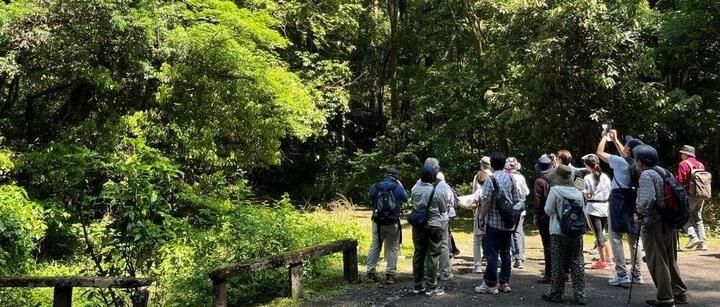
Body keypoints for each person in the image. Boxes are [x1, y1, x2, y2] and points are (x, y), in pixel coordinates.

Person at [633, 145, 688, 306]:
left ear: (641, 161)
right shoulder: (664, 171)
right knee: (670, 259)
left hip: (654, 222)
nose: (635, 162)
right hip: (669, 220)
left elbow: (647, 200)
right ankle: (679, 294)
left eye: (636, 159)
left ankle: (665, 298)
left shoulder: (646, 175)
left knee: (657, 259)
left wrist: (638, 214)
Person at [596, 130, 645, 286]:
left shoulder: (619, 161)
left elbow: (599, 152)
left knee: (615, 237)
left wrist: (604, 137)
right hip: (634, 201)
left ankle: (622, 273)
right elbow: (625, 156)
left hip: (618, 200)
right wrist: (616, 140)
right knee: (634, 238)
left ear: (629, 149)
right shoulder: (639, 165)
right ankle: (637, 274)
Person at [474, 152, 520, 294]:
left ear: (492, 165)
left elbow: (486, 201)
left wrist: (481, 218)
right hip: (507, 223)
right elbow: (516, 199)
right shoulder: (511, 178)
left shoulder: (490, 179)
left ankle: (490, 283)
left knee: (492, 253)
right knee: (506, 253)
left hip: (493, 222)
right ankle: (504, 283)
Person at [541, 165, 587, 305]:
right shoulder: (578, 192)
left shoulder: (555, 190)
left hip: (558, 231)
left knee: (558, 263)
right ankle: (580, 295)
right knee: (577, 262)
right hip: (576, 231)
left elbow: (548, 210)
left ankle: (556, 293)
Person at [410, 165, 450, 296]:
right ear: (433, 177)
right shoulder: (437, 192)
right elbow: (444, 210)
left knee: (418, 254)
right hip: (434, 226)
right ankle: (431, 287)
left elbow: (413, 205)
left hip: (418, 226)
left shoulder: (414, 189)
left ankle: (417, 285)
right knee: (433, 255)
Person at [366, 168, 408, 284]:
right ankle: (390, 275)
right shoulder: (397, 187)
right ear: (396, 177)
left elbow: (369, 197)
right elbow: (405, 198)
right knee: (392, 247)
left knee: (375, 245)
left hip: (377, 221)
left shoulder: (376, 186)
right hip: (393, 222)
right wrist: (401, 186)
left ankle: (370, 274)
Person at [422, 158, 455, 281]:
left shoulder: (418, 185)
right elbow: (445, 205)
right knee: (443, 245)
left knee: (425, 245)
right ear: (436, 170)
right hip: (440, 220)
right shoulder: (442, 185)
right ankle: (445, 272)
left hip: (423, 220)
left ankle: (426, 271)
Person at [581, 154, 612, 270]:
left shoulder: (587, 178)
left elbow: (587, 195)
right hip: (605, 206)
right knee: (603, 233)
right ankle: (609, 257)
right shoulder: (606, 176)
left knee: (598, 234)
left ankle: (603, 261)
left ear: (588, 165)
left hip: (593, 207)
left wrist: (585, 193)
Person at [677, 145, 709, 251]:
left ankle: (693, 237)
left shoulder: (683, 164)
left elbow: (680, 182)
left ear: (686, 154)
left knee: (683, 217)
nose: (681, 155)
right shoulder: (700, 164)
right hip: (701, 195)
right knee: (698, 218)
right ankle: (703, 243)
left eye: (682, 153)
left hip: (689, 195)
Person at [534, 155, 555, 283]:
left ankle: (549, 273)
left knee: (547, 245)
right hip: (557, 216)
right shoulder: (558, 177)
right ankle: (564, 272)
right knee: (560, 244)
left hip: (544, 217)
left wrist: (536, 217)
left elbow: (538, 201)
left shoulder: (540, 181)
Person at [505, 157, 530, 270]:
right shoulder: (520, 177)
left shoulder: (505, 177)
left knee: (509, 232)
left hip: (509, 209)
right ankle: (519, 258)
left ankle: (510, 256)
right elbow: (526, 192)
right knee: (518, 232)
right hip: (520, 209)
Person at [471, 167, 492, 273]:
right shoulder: (491, 191)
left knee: (477, 242)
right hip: (491, 219)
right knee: (490, 242)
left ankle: (477, 265)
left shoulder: (478, 191)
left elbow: (474, 204)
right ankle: (490, 263)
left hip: (479, 219)